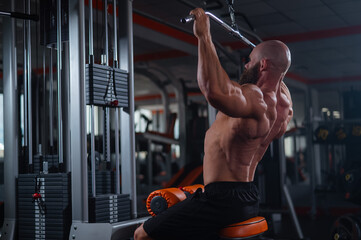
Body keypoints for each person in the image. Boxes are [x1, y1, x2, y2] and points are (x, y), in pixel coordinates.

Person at [134, 8, 293, 240]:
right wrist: (279, 67)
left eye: (250, 62)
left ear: (264, 65)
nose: (246, 66)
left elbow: (214, 91)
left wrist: (203, 35)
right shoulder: (284, 106)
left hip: (222, 199)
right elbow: (280, 73)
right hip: (247, 195)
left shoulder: (255, 97)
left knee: (141, 235)